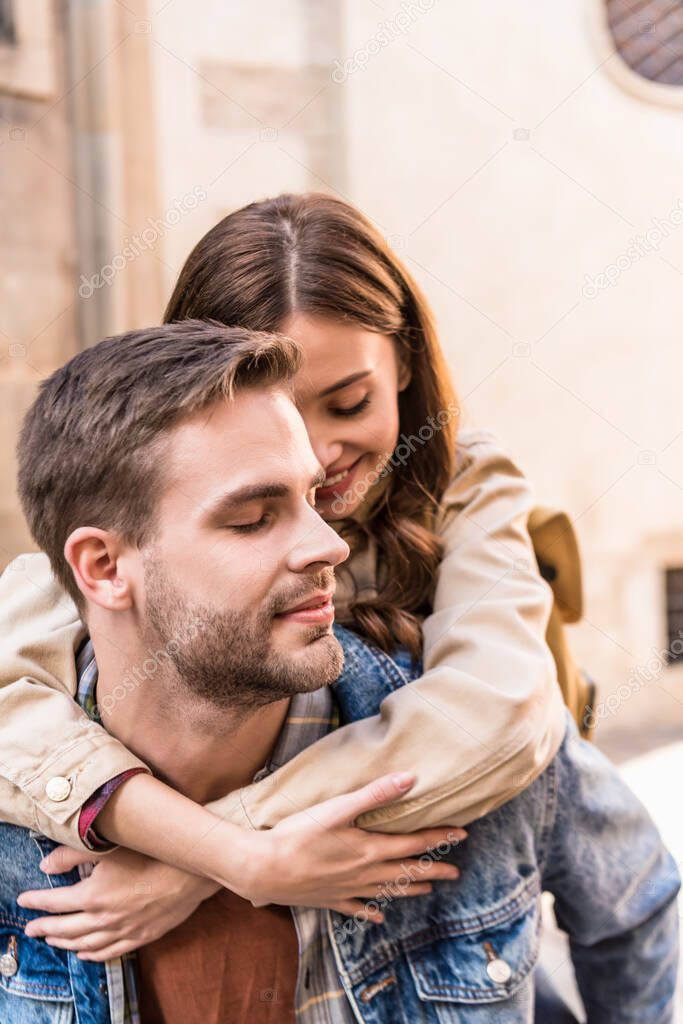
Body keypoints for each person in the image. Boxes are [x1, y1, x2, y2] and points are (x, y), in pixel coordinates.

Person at [2, 321, 678, 1023]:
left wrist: (221, 853)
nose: (328, 543)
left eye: (315, 497)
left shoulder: (482, 750)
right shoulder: (16, 813)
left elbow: (636, 908)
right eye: (253, 519)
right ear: (105, 568)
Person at [0, 195, 566, 938]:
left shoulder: (462, 485)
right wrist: (231, 853)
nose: (317, 452)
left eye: (348, 402)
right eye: (276, 414)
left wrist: (213, 857)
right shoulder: (140, 526)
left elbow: (501, 713)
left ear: (402, 364)